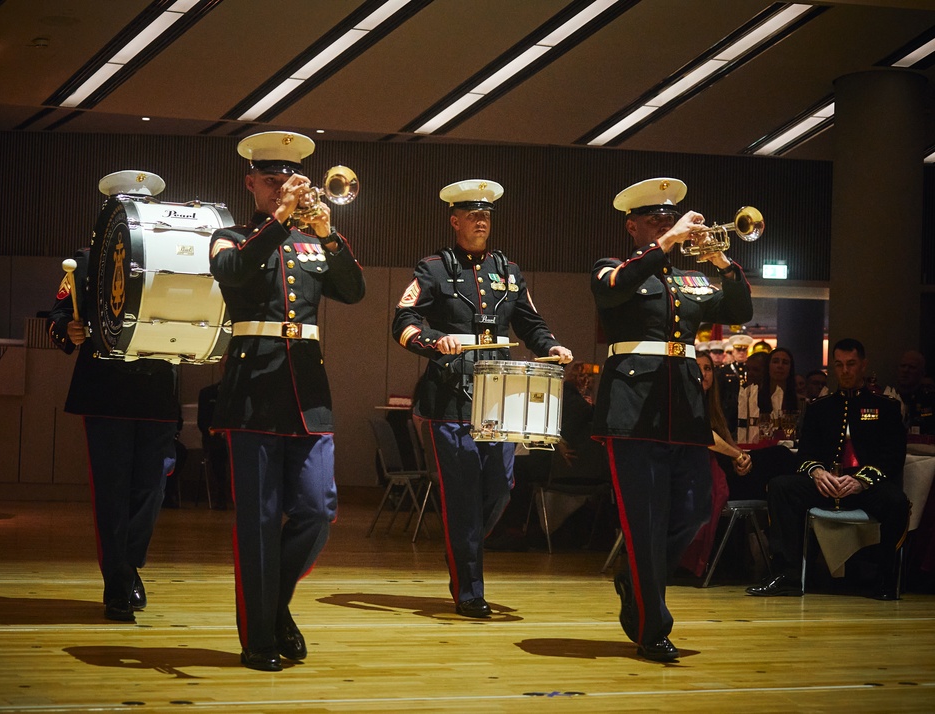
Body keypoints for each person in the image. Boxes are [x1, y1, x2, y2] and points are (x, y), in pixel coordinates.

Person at [208, 131, 366, 672]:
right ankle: (258, 639)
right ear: (250, 181)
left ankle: (274, 604)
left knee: (318, 510)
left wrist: (328, 230)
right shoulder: (229, 235)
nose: (282, 188)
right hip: (252, 390)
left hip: (308, 392)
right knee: (259, 520)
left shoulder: (312, 240)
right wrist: (281, 220)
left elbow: (352, 291)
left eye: (289, 180)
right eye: (272, 180)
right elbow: (233, 273)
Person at [392, 178, 572, 618]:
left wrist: (550, 346)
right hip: (450, 399)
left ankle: (462, 545)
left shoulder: (509, 271)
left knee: (500, 489)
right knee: (463, 497)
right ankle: (469, 588)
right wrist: (435, 340)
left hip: (500, 399)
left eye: (486, 216)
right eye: (472, 215)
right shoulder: (433, 268)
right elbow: (402, 321)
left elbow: (531, 323)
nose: (480, 221)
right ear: (454, 221)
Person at [591, 177, 753, 661]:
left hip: (682, 409)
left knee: (695, 510)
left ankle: (632, 577)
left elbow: (741, 308)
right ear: (632, 226)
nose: (667, 223)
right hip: (631, 409)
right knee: (644, 522)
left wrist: (720, 261)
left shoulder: (691, 279)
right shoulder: (610, 267)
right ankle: (651, 627)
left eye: (670, 217)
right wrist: (668, 242)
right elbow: (617, 290)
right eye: (656, 219)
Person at [47, 170, 179, 623]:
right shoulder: (83, 261)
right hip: (104, 391)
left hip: (158, 389)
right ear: (110, 212)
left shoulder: (170, 258)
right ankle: (117, 584)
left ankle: (127, 563)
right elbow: (58, 313)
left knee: (152, 488)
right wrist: (68, 328)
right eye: (124, 206)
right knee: (112, 491)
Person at [746, 338, 909, 601]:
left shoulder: (886, 407)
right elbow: (805, 454)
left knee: (898, 501)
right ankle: (787, 575)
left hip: (863, 488)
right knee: (780, 487)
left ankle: (885, 578)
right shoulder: (820, 408)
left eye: (851, 364)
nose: (845, 370)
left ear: (863, 365)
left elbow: (893, 458)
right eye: (839, 365)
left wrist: (861, 481)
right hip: (825, 485)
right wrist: (817, 473)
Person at [679, 352, 751, 579]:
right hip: (684, 473)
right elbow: (704, 436)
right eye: (697, 368)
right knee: (714, 483)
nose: (703, 373)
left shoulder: (713, 407)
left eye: (708, 368)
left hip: (708, 473)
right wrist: (737, 455)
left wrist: (741, 459)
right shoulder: (683, 402)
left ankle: (736, 564)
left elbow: (726, 441)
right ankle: (699, 564)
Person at [737, 347, 800, 444]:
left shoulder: (798, 401)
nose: (780, 366)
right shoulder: (753, 398)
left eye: (785, 362)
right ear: (768, 366)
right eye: (775, 361)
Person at [196, 359, 230, 509]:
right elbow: (202, 422)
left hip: (237, 438)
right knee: (218, 450)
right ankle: (221, 494)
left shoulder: (243, 394)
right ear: (219, 367)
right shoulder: (207, 393)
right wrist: (216, 432)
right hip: (215, 438)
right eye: (224, 365)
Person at [883, 350, 935, 437]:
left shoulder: (929, 401)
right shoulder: (887, 398)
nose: (906, 370)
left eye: (912, 367)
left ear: (922, 373)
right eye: (903, 366)